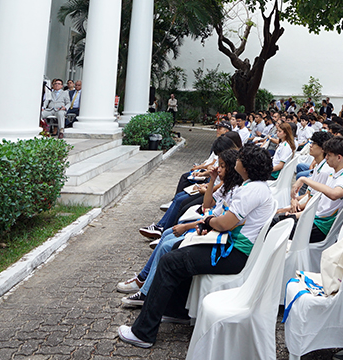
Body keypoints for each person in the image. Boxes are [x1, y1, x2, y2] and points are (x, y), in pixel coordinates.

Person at [117, 144, 276, 348]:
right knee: (176, 251)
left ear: (246, 165)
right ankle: (177, 311)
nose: (237, 160)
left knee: (169, 262)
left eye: (240, 158)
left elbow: (225, 223)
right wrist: (209, 223)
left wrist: (208, 223)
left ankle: (143, 333)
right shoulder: (254, 187)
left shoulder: (252, 190)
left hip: (234, 254)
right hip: (231, 247)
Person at [291, 135, 343, 242]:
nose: (326, 158)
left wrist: (304, 179)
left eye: (329, 155)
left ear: (339, 157)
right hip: (314, 219)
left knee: (275, 228)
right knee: (277, 221)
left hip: (320, 227)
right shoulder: (334, 174)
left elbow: (335, 194)